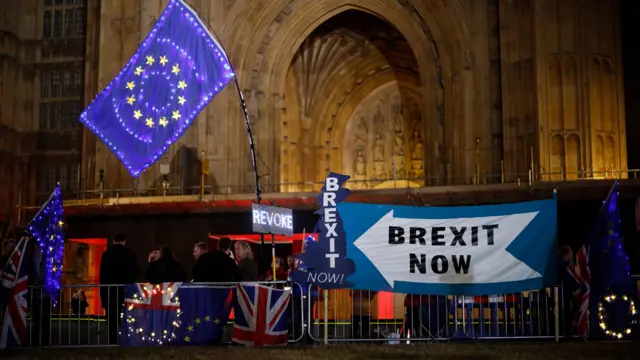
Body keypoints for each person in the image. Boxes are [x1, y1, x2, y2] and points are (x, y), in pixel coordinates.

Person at [99, 233, 138, 345]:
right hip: (126, 290)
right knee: (126, 317)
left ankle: (113, 341)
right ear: (124, 241)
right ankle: (126, 340)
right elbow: (134, 271)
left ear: (113, 241)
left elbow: (103, 275)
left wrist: (103, 295)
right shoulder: (130, 254)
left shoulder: (107, 254)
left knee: (112, 318)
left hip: (110, 291)